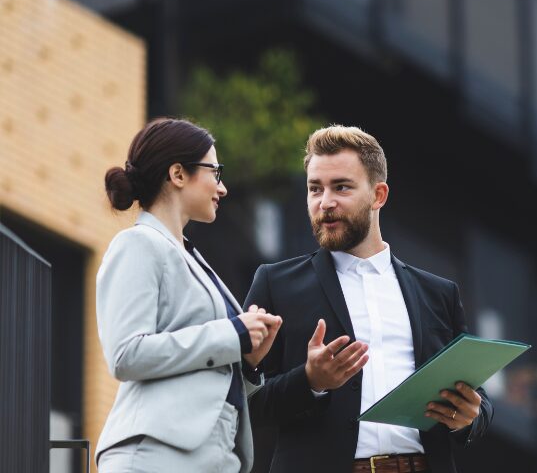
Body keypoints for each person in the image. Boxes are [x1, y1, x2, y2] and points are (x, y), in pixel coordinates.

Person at [245, 125, 492, 473]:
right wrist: (310, 381)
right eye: (315, 189)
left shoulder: (438, 294)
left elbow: (475, 397)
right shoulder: (275, 284)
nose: (325, 202)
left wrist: (468, 417)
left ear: (379, 195)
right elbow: (243, 400)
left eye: (341, 187)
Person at [95, 118, 282, 472]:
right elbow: (126, 354)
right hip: (155, 457)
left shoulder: (191, 258)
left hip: (212, 459)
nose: (222, 188)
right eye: (216, 171)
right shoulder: (137, 244)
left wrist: (248, 361)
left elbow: (203, 378)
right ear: (178, 174)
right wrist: (232, 334)